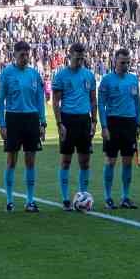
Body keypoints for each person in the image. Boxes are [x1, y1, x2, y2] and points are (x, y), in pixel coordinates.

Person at [0, 41, 47, 213]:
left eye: (27, 54)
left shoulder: (34, 74)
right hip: (13, 119)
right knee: (11, 160)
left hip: (31, 119)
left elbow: (40, 101)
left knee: (30, 161)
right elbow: (0, 102)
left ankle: (30, 201)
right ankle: (9, 200)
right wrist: (2, 124)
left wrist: (43, 122)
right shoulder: (6, 74)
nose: (25, 57)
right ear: (15, 55)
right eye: (22, 55)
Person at [51, 42, 98, 209]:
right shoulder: (61, 76)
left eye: (82, 58)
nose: (79, 61)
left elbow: (93, 100)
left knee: (85, 161)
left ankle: (83, 194)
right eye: (77, 58)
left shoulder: (89, 76)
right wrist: (59, 123)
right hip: (68, 120)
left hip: (84, 120)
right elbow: (56, 102)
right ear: (69, 55)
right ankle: (65, 199)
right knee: (66, 161)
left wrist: (94, 121)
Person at [96, 47, 140, 210]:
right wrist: (104, 126)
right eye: (123, 62)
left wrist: (139, 123)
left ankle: (125, 197)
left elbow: (137, 103)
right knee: (111, 161)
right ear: (115, 61)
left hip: (129, 123)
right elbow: (101, 104)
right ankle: (108, 197)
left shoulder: (133, 79)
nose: (126, 65)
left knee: (127, 161)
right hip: (113, 123)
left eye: (128, 62)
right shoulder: (107, 80)